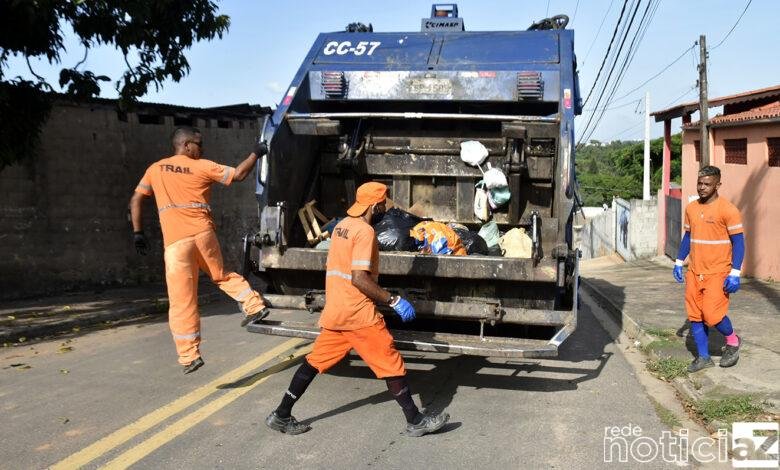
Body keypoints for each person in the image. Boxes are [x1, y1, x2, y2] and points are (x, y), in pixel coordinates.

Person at [265, 182, 450, 437]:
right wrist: (393, 300)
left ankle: (281, 414)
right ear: (374, 205)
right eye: (383, 204)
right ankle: (416, 420)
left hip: (337, 310)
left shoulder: (342, 226)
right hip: (358, 314)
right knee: (391, 363)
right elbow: (359, 278)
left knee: (313, 362)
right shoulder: (365, 232)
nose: (386, 208)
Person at [129, 126, 269, 374]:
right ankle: (254, 305)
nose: (202, 149)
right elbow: (238, 174)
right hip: (203, 235)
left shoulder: (155, 169)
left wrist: (138, 233)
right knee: (221, 275)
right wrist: (256, 153)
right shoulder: (202, 166)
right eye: (198, 144)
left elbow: (136, 199)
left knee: (182, 301)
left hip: (176, 245)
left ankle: (189, 356)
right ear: (185, 145)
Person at [673, 165, 744, 372]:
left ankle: (733, 341)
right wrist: (678, 261)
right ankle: (704, 357)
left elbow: (739, 243)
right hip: (695, 272)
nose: (702, 187)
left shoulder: (728, 210)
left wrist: (735, 273)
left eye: (707, 184)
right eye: (699, 183)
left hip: (718, 272)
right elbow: (688, 236)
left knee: (712, 315)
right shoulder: (691, 208)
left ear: (717, 185)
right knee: (695, 316)